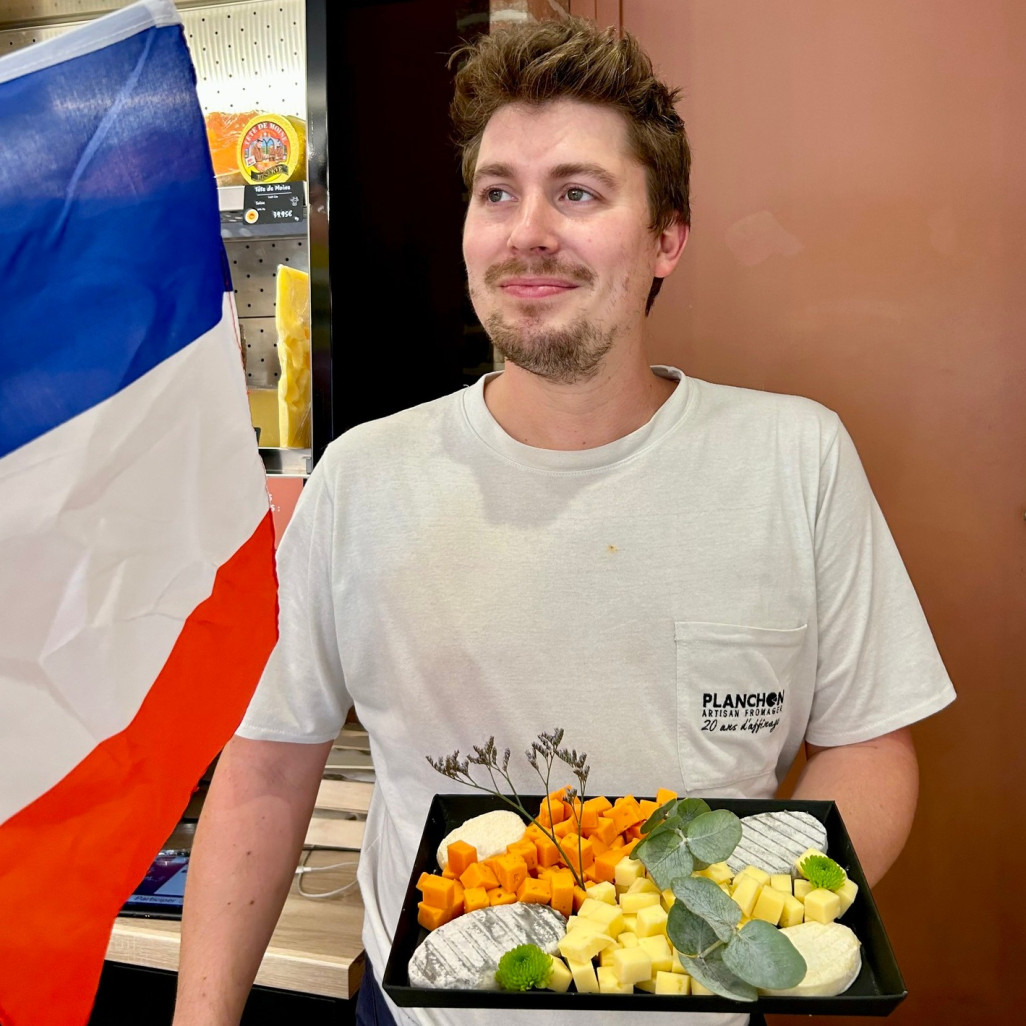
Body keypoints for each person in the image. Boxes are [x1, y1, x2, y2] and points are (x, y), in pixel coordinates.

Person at [172, 16, 955, 1026]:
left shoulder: (794, 458)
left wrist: (751, 933)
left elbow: (869, 739)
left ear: (666, 237)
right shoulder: (365, 478)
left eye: (577, 193)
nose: (526, 230)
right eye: (497, 192)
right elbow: (271, 760)